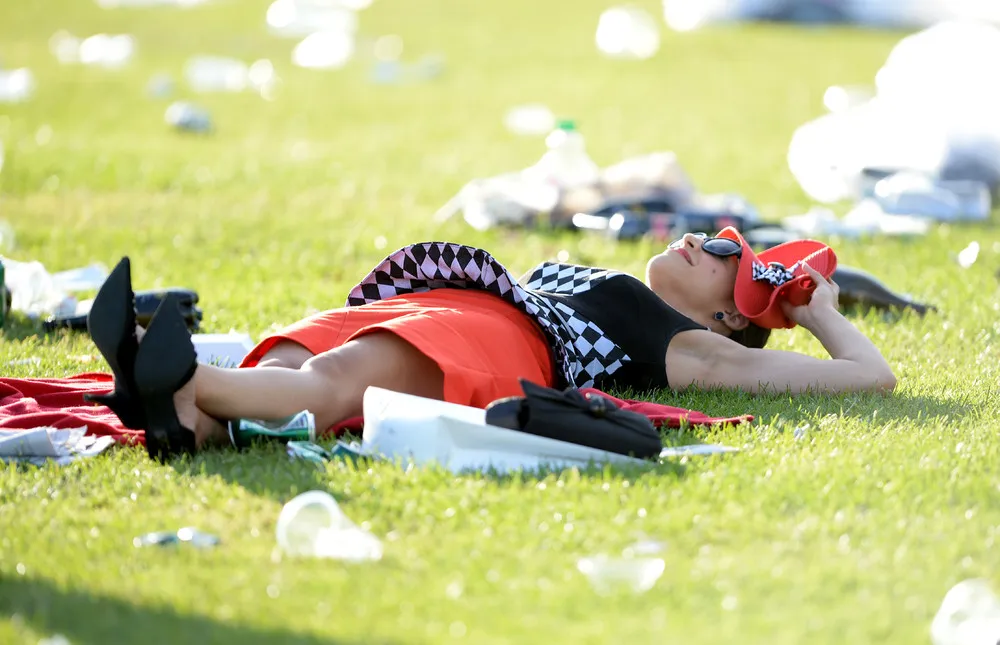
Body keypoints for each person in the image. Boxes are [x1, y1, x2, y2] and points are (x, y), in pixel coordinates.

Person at [85, 227, 896, 460]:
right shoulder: (619, 281)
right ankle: (180, 413)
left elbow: (873, 377)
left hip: (496, 338)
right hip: (442, 301)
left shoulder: (683, 342)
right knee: (292, 364)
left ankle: (183, 375)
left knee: (331, 383)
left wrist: (816, 307)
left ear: (727, 320)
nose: (706, 240)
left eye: (732, 259)